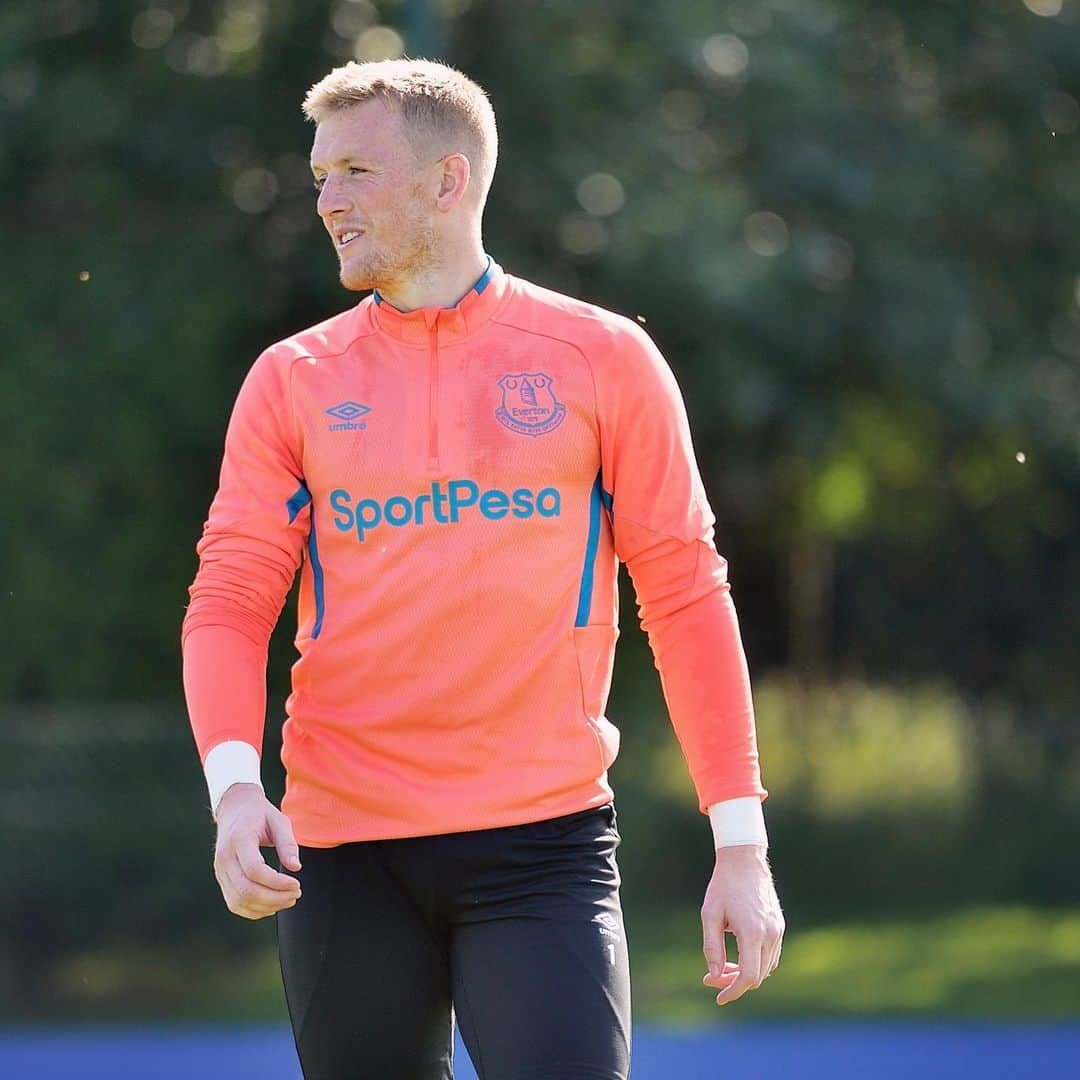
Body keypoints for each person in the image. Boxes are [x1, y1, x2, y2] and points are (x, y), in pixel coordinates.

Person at [181, 58, 784, 1080]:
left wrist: (742, 845)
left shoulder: (602, 359)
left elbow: (684, 596)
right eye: (320, 175)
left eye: (354, 172)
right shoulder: (291, 380)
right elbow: (232, 599)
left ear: (448, 181)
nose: (326, 201)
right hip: (341, 855)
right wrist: (236, 794)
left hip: (542, 848)